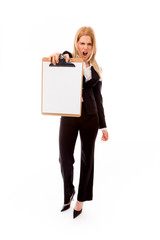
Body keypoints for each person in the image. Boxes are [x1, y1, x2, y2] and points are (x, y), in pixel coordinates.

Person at [49, 26, 109, 219]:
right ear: (76, 44)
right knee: (65, 157)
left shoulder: (96, 70)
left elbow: (99, 100)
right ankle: (69, 192)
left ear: (93, 47)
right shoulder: (69, 60)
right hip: (69, 114)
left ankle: (81, 199)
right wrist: (57, 56)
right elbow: (60, 59)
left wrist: (103, 126)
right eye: (82, 43)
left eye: (89, 44)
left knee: (87, 158)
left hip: (90, 117)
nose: (85, 47)